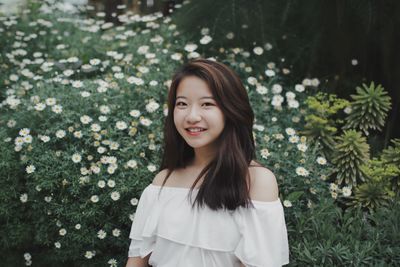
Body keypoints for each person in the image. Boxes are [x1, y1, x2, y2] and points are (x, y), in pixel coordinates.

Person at [125, 59, 289, 267]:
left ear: (231, 110)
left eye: (207, 104)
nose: (192, 116)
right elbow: (135, 263)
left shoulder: (257, 181)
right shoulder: (162, 182)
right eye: (182, 104)